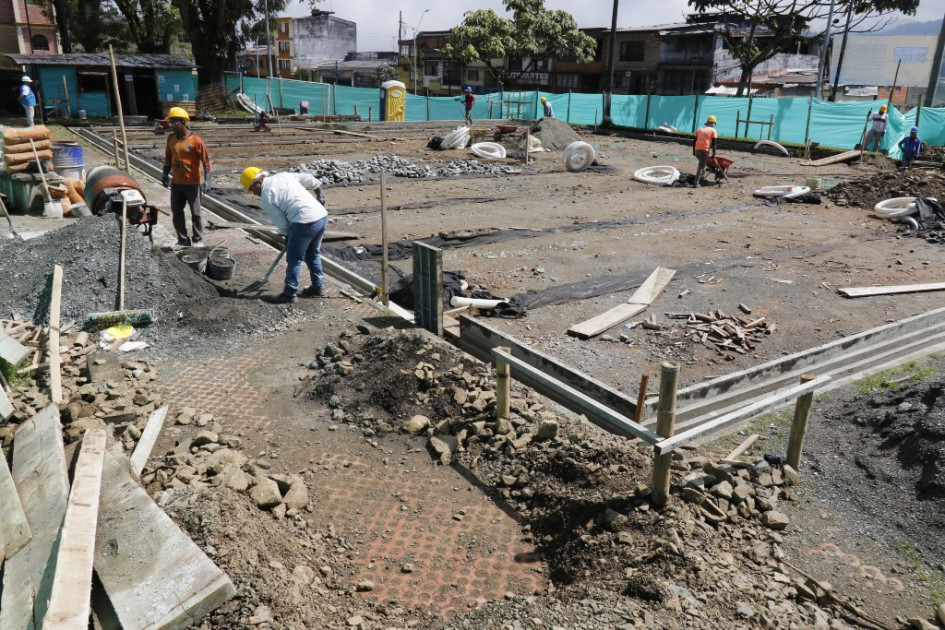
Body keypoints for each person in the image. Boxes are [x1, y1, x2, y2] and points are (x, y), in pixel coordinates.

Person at [240, 167, 329, 304]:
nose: (254, 194)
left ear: (258, 182)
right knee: (313, 254)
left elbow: (282, 225)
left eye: (252, 189)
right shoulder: (283, 176)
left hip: (304, 221)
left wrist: (289, 236)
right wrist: (319, 191)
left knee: (294, 258)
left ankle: (289, 294)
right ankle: (318, 287)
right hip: (321, 216)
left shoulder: (267, 196)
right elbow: (309, 179)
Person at [161, 107, 212, 247]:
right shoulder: (171, 139)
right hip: (176, 183)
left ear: (183, 122)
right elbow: (168, 157)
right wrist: (165, 174)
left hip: (192, 183)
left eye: (174, 122)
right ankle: (183, 239)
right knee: (177, 212)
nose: (171, 125)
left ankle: (198, 239)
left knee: (196, 213)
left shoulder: (196, 140)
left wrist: (207, 180)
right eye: (170, 122)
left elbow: (206, 161)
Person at [692, 115, 718, 188]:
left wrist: (693, 151)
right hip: (704, 150)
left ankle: (702, 179)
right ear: (713, 124)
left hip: (697, 150)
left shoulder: (700, 129)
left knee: (702, 165)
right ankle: (696, 183)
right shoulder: (713, 131)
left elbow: (694, 141)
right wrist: (714, 153)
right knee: (701, 166)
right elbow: (714, 143)